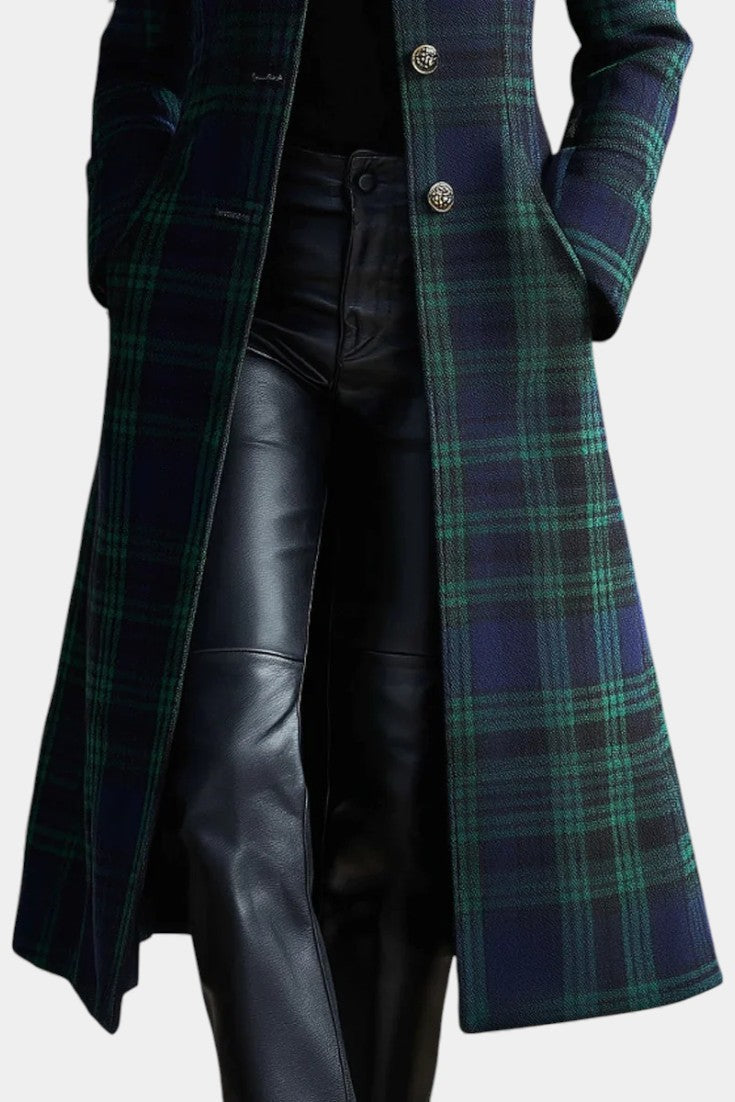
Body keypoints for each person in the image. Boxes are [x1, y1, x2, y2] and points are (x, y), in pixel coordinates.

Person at [142, 2, 454, 1100]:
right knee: (229, 761)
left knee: (406, 787)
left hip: (459, 291)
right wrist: (128, 231)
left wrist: (588, 248)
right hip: (244, 287)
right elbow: (144, 47)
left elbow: (640, 42)